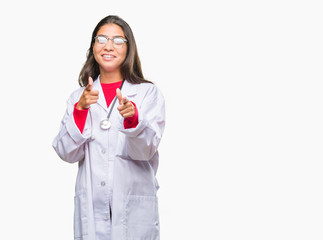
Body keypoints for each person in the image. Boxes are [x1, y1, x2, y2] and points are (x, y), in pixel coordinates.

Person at [52, 15, 165, 240]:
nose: (109, 46)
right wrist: (81, 110)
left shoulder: (146, 93)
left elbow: (146, 150)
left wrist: (133, 120)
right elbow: (66, 152)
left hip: (133, 207)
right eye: (101, 39)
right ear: (93, 46)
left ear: (128, 47)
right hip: (92, 207)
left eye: (118, 40)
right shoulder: (78, 97)